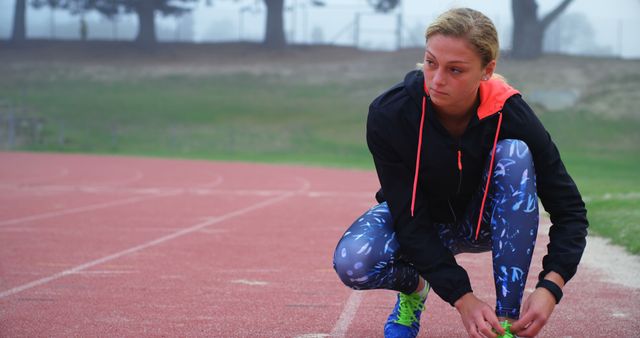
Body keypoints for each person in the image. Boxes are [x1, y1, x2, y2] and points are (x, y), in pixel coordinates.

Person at [332, 7, 588, 338]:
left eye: (455, 70)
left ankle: (506, 321)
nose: (437, 80)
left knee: (514, 153)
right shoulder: (391, 114)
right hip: (422, 224)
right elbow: (410, 220)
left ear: (487, 70)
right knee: (353, 261)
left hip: (484, 224)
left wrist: (551, 287)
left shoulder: (513, 116)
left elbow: (570, 211)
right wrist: (462, 297)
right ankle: (415, 289)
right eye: (430, 62)